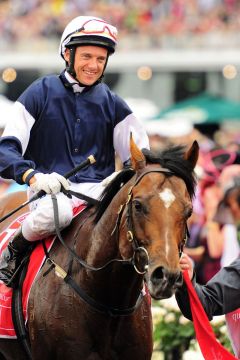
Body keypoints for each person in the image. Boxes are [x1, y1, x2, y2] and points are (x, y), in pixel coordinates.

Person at [0, 15, 149, 287]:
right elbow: (6, 149)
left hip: (99, 195)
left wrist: (123, 176)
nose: (93, 66)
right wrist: (34, 177)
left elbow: (141, 159)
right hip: (50, 192)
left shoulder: (114, 103)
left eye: (100, 60)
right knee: (58, 214)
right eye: (87, 56)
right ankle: (14, 250)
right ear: (68, 54)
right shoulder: (39, 92)